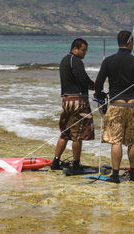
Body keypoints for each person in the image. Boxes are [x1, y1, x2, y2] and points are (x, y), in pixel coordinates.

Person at [94, 30, 134, 183]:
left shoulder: (109, 61)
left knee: (116, 141)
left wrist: (100, 97)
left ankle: (115, 175)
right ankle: (133, 173)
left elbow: (98, 85)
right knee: (133, 141)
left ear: (118, 42)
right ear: (130, 42)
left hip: (116, 104)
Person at [50, 38, 95, 173]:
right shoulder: (76, 61)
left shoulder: (64, 60)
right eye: (83, 50)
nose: (84, 53)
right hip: (78, 101)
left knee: (65, 132)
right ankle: (76, 165)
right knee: (78, 134)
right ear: (75, 49)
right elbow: (83, 78)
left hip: (66, 100)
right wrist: (94, 86)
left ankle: (55, 161)